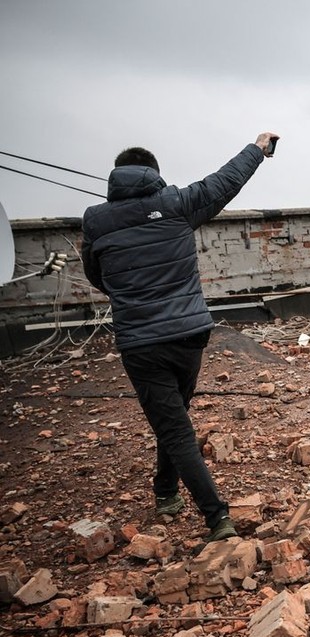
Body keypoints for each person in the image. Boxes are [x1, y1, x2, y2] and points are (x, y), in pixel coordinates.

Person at [82, 133, 278, 542]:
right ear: (153, 173)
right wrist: (258, 148)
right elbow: (225, 181)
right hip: (190, 335)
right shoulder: (175, 203)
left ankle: (217, 518)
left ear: (114, 178)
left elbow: (95, 274)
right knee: (174, 417)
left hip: (140, 343)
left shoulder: (96, 219)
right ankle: (166, 492)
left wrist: (127, 293)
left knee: (173, 427)